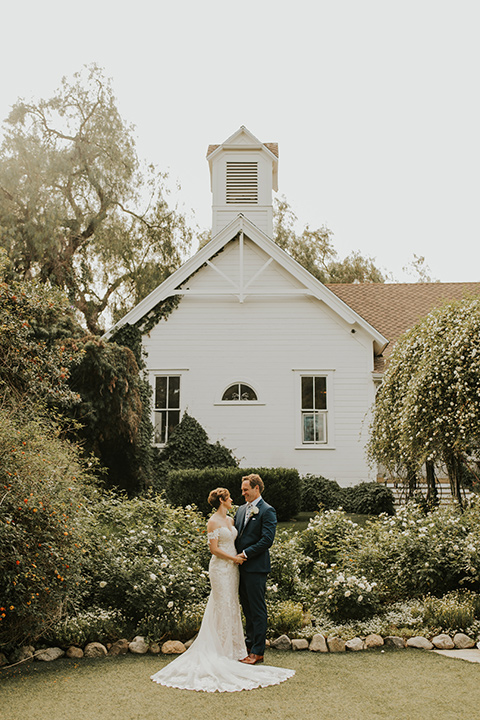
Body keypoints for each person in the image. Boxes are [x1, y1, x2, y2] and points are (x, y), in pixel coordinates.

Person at [151, 487, 294, 692]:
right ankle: (222, 650)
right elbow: (214, 549)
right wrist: (236, 558)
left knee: (235, 605)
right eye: (230, 497)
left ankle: (242, 649)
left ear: (255, 488)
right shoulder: (215, 521)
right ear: (221, 500)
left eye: (244, 489)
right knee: (222, 605)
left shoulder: (235, 518)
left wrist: (241, 557)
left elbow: (261, 539)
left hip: (239, 567)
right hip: (222, 567)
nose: (237, 497)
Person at [234, 474, 276, 665]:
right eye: (242, 490)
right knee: (247, 609)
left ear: (256, 488)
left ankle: (258, 652)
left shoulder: (267, 511)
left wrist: (245, 554)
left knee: (258, 610)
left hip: (256, 568)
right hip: (239, 568)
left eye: (246, 490)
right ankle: (249, 646)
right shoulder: (241, 510)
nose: (243, 493)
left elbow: (267, 540)